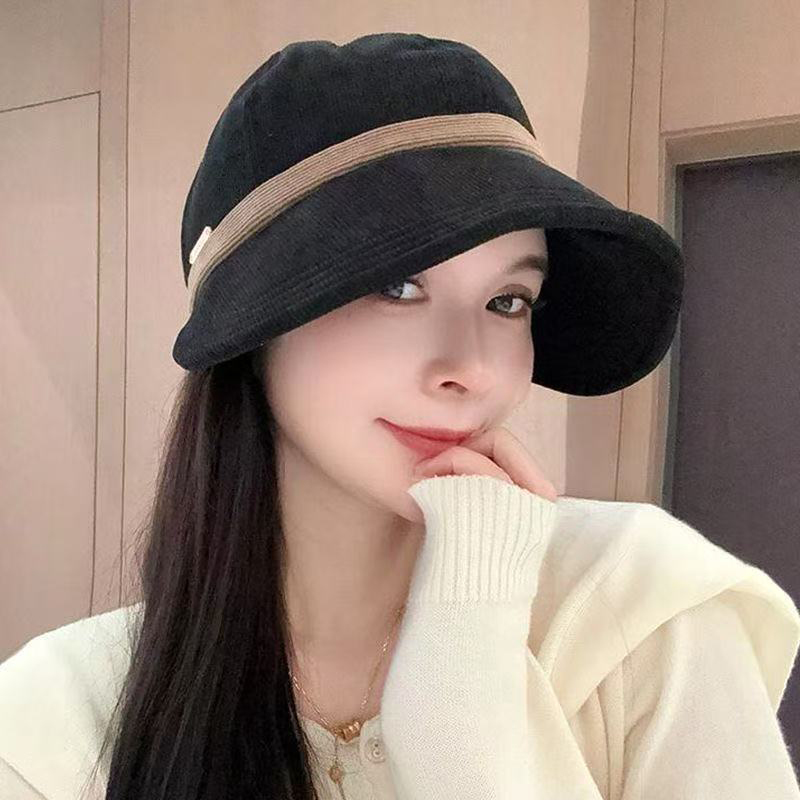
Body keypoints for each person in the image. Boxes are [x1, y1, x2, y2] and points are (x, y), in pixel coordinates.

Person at [1, 32, 799, 800]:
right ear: (254, 331)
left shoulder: (643, 610)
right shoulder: (54, 722)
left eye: (508, 300)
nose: (473, 368)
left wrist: (463, 710)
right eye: (398, 286)